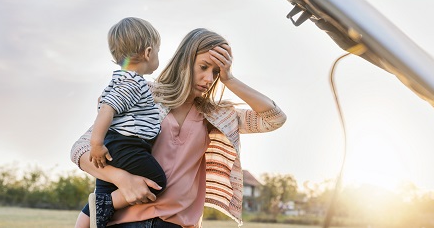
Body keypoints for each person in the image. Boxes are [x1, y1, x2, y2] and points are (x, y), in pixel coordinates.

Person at [70, 27, 287, 228]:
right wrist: (122, 179)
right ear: (185, 61)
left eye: (216, 72)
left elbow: (274, 119)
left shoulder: (217, 116)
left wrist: (229, 79)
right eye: (203, 67)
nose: (209, 78)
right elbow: (80, 150)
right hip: (124, 221)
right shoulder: (145, 95)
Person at [83, 17, 167, 228]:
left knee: (104, 188)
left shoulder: (120, 79)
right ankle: (107, 203)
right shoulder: (132, 82)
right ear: (148, 52)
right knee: (157, 182)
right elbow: (106, 109)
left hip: (118, 144)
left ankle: (92, 218)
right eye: (158, 51)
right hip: (127, 145)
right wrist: (96, 144)